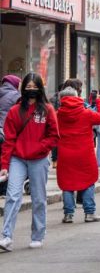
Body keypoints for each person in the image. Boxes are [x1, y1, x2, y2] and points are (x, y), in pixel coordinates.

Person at [0, 74, 59, 251]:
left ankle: (38, 235)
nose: (31, 89)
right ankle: (6, 236)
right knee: (12, 196)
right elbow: (8, 140)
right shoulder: (14, 111)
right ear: (22, 88)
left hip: (39, 159)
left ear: (40, 88)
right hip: (18, 158)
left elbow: (54, 136)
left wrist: (40, 148)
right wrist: (4, 165)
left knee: (39, 198)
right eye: (28, 86)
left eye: (34, 86)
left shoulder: (47, 109)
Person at [56, 78, 100, 224]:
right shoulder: (86, 113)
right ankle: (89, 213)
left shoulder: (58, 114)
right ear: (77, 97)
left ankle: (68, 214)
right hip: (85, 152)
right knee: (89, 181)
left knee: (67, 183)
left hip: (65, 153)